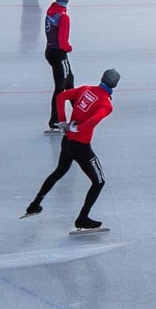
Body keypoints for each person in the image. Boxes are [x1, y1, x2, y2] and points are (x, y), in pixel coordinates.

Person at [25, 68, 119, 231]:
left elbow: (61, 96)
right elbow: (92, 122)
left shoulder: (85, 89)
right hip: (81, 146)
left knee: (58, 172)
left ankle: (34, 205)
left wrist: (62, 121)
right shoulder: (106, 104)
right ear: (115, 85)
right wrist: (78, 129)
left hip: (67, 141)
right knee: (99, 182)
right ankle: (82, 218)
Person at [44, 0, 74, 132]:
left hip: (50, 51)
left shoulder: (51, 10)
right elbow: (63, 42)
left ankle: (77, 113)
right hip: (59, 53)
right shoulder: (63, 17)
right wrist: (69, 47)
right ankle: (55, 120)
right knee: (61, 87)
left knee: (69, 81)